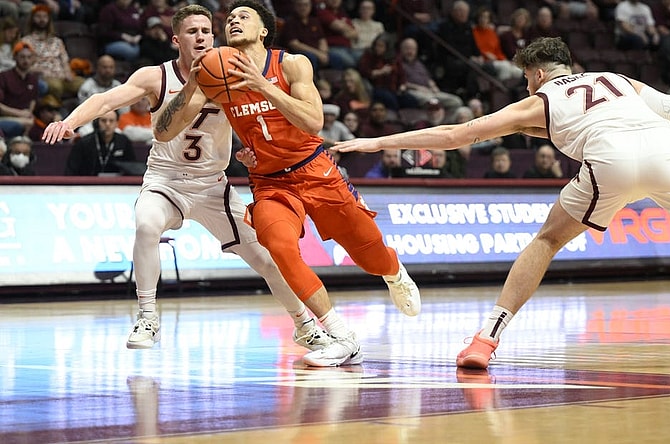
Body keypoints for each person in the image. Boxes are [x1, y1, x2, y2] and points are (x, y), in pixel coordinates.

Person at [334, 37, 670, 369]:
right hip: (666, 152)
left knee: (547, 240)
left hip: (610, 161)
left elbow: (455, 136)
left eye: (526, 78)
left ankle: (485, 340)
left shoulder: (540, 99)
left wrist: (374, 142)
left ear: (536, 74)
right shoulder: (615, 79)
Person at [42, 5, 360, 367]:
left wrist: (252, 153)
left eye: (207, 31)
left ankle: (305, 325)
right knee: (146, 224)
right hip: (166, 181)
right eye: (192, 32)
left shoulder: (233, 73)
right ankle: (147, 316)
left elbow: (260, 123)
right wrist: (70, 121)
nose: (202, 37)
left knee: (269, 259)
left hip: (213, 186)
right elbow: (106, 99)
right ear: (177, 40)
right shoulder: (155, 76)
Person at [150, 0, 421, 365]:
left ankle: (393, 272)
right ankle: (340, 335)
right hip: (268, 181)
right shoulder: (219, 75)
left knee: (369, 256)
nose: (233, 21)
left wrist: (263, 85)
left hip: (314, 170)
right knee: (278, 245)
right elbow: (164, 131)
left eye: (243, 16)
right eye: (229, 18)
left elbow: (313, 122)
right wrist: (189, 87)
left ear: (264, 30)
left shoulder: (292, 63)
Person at [21, 4, 84, 100]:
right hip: (44, 77)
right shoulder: (26, 41)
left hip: (62, 76)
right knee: (56, 86)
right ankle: (55, 111)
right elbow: (23, 65)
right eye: (38, 16)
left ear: (49, 19)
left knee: (83, 84)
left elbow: (64, 60)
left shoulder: (57, 41)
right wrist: (39, 71)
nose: (42, 20)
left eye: (45, 17)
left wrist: (67, 72)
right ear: (32, 19)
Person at [63, 110, 137, 176]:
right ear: (97, 123)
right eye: (104, 120)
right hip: (87, 186)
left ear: (117, 123)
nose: (108, 124)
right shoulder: (84, 143)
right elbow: (71, 171)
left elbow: (132, 168)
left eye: (111, 121)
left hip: (118, 185)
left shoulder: (124, 141)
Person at [0, 41, 37, 139]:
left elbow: (33, 100)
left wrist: (29, 113)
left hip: (24, 117)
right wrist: (19, 114)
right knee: (28, 124)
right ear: (15, 57)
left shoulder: (33, 79)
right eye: (22, 57)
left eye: (29, 57)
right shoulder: (4, 77)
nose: (26, 60)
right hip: (5, 117)